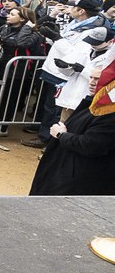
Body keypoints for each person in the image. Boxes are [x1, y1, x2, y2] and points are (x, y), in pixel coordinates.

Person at [29, 59, 115, 195]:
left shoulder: (108, 111)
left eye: (98, 79)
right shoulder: (93, 104)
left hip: (78, 182)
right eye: (91, 77)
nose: (92, 82)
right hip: (66, 173)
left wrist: (61, 135)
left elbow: (91, 145)